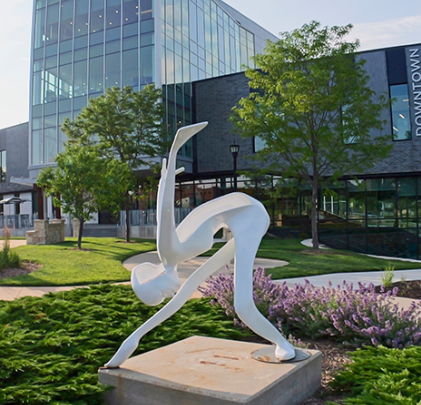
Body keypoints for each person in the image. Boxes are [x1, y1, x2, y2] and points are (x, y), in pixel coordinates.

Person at [104, 121, 296, 368]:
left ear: (155, 279)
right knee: (241, 303)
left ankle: (284, 345)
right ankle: (282, 343)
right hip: (240, 216)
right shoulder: (172, 260)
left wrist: (173, 154)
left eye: (163, 293)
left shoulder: (167, 253)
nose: (170, 294)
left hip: (247, 215)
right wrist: (132, 340)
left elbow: (164, 214)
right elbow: (171, 308)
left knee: (243, 304)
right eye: (165, 296)